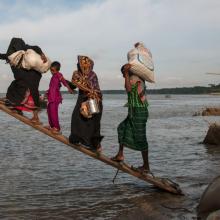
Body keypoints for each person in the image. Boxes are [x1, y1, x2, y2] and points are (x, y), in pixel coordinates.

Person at [111, 63, 150, 173]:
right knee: (122, 128)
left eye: (123, 73)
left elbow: (128, 89)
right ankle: (120, 154)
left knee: (141, 138)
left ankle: (146, 166)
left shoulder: (135, 78)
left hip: (139, 111)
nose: (123, 76)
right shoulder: (135, 77)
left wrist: (127, 73)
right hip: (133, 111)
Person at [0, 37, 47, 123]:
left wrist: (42, 54)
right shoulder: (22, 50)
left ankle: (32, 116)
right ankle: (25, 112)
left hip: (27, 78)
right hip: (31, 77)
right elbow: (36, 47)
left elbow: (5, 56)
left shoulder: (19, 51)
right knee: (30, 94)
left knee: (17, 90)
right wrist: (42, 54)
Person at [69, 55, 103, 152]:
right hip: (91, 99)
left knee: (90, 122)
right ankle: (89, 143)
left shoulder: (90, 75)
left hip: (93, 99)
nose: (77, 66)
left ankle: (94, 145)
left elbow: (81, 83)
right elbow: (76, 83)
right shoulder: (81, 74)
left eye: (79, 64)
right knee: (84, 120)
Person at [45, 61, 73, 134]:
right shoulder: (52, 77)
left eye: (53, 70)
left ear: (57, 70)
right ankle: (51, 126)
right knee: (49, 111)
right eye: (51, 70)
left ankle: (57, 128)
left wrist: (69, 88)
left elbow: (64, 82)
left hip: (55, 97)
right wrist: (46, 92)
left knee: (54, 113)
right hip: (51, 97)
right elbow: (51, 87)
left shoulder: (58, 74)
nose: (52, 72)